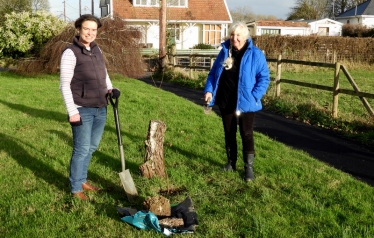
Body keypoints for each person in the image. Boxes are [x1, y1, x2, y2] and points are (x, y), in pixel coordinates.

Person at [60, 14, 119, 200]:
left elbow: (104, 73)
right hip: (82, 108)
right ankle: (76, 187)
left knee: (92, 147)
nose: (90, 33)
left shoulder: (97, 49)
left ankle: (82, 179)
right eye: (87, 29)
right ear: (78, 29)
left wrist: (111, 89)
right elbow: (64, 85)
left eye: (94, 30)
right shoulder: (70, 53)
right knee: (81, 149)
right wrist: (72, 111)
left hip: (101, 106)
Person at [204, 21, 270, 182]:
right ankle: (231, 163)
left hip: (246, 102)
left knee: (246, 134)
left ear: (245, 37)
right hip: (226, 100)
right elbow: (213, 74)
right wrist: (209, 90)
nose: (234, 38)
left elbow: (264, 78)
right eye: (232, 35)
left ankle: (248, 169)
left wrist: (255, 96)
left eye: (238, 35)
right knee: (229, 132)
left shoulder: (256, 54)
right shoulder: (224, 52)